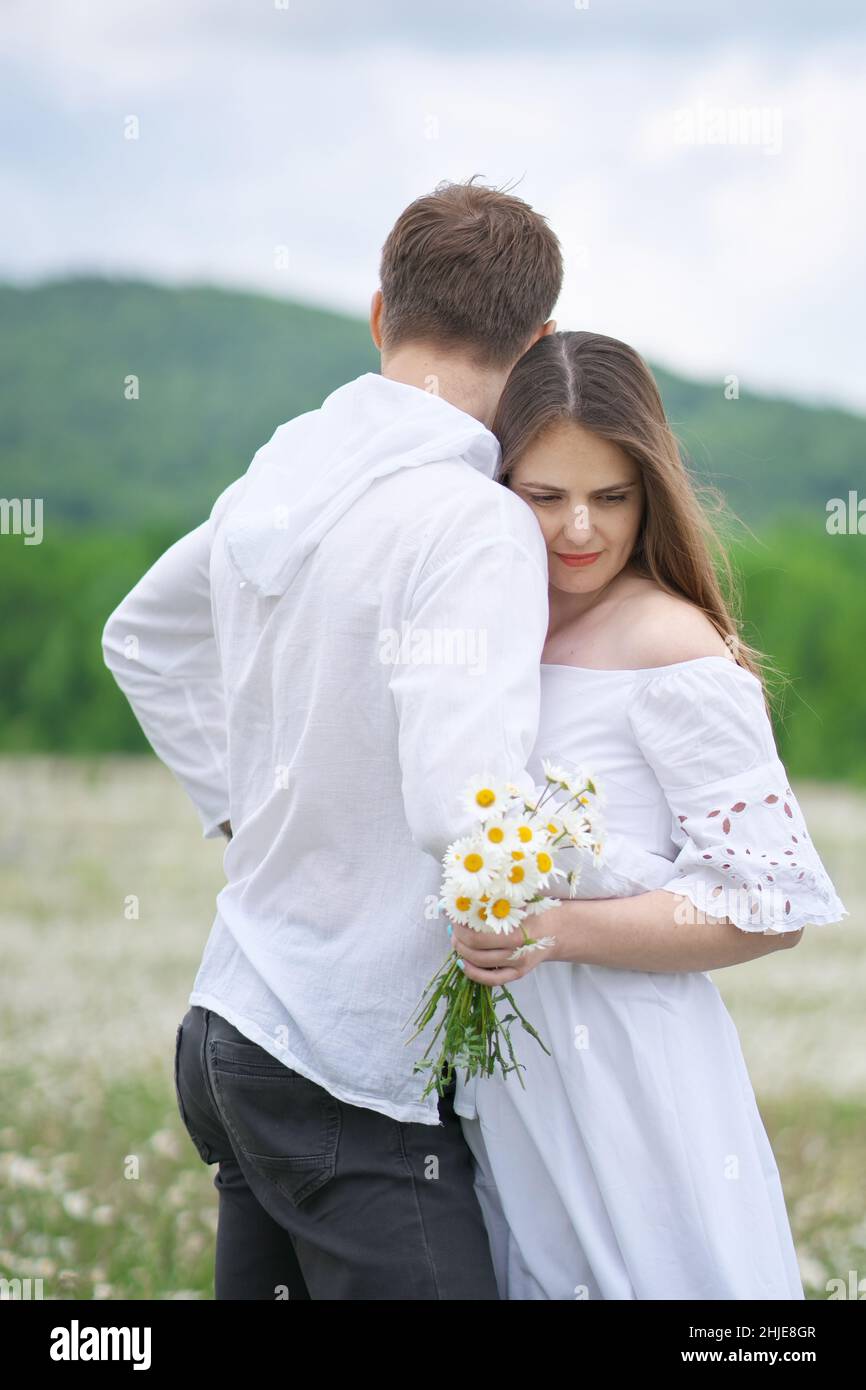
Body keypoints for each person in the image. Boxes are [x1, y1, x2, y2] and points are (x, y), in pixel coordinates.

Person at [101, 177, 563, 1299]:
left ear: (378, 314)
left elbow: (141, 639)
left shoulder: (282, 476)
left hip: (232, 1021)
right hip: (346, 1071)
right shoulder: (476, 523)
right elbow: (465, 803)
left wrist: (240, 807)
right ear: (539, 340)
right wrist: (519, 899)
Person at [449, 330, 848, 1300]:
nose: (577, 527)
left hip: (631, 1076)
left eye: (610, 496)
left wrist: (551, 928)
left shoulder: (671, 645)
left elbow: (770, 902)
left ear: (649, 489)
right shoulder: (498, 624)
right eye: (542, 495)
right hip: (509, 1077)